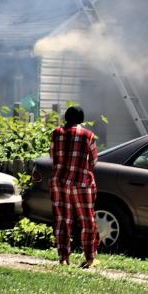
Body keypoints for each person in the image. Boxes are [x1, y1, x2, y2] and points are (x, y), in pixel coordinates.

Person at [49, 105, 100, 268]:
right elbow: (93, 160)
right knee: (87, 220)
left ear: (66, 117)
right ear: (81, 119)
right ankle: (89, 258)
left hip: (60, 182)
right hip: (81, 183)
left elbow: (52, 156)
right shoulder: (88, 135)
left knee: (63, 219)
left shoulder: (56, 134)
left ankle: (64, 258)